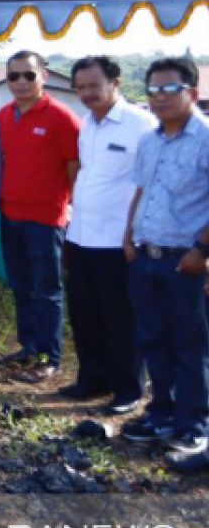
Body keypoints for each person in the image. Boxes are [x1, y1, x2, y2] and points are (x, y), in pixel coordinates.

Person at [121, 58, 209, 467]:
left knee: (191, 347)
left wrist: (202, 251)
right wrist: (128, 236)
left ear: (191, 92)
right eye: (153, 89)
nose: (158, 97)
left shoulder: (205, 138)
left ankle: (194, 427)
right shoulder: (150, 140)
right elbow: (142, 190)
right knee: (153, 340)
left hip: (185, 263)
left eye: (169, 89)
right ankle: (161, 416)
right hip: (146, 256)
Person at [62, 56, 155, 413]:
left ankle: (128, 389)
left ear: (115, 82)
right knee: (85, 313)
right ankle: (92, 379)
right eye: (80, 87)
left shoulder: (140, 125)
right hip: (81, 233)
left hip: (119, 240)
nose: (87, 94)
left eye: (93, 86)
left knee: (121, 317)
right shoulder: (87, 123)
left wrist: (133, 234)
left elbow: (147, 184)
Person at [0, 51, 80, 384]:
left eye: (28, 75)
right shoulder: (4, 115)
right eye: (13, 76)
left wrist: (69, 205)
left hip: (47, 219)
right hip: (11, 215)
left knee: (47, 290)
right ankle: (28, 347)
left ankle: (49, 357)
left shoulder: (61, 117)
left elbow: (75, 168)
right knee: (21, 286)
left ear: (43, 75)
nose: (21, 83)